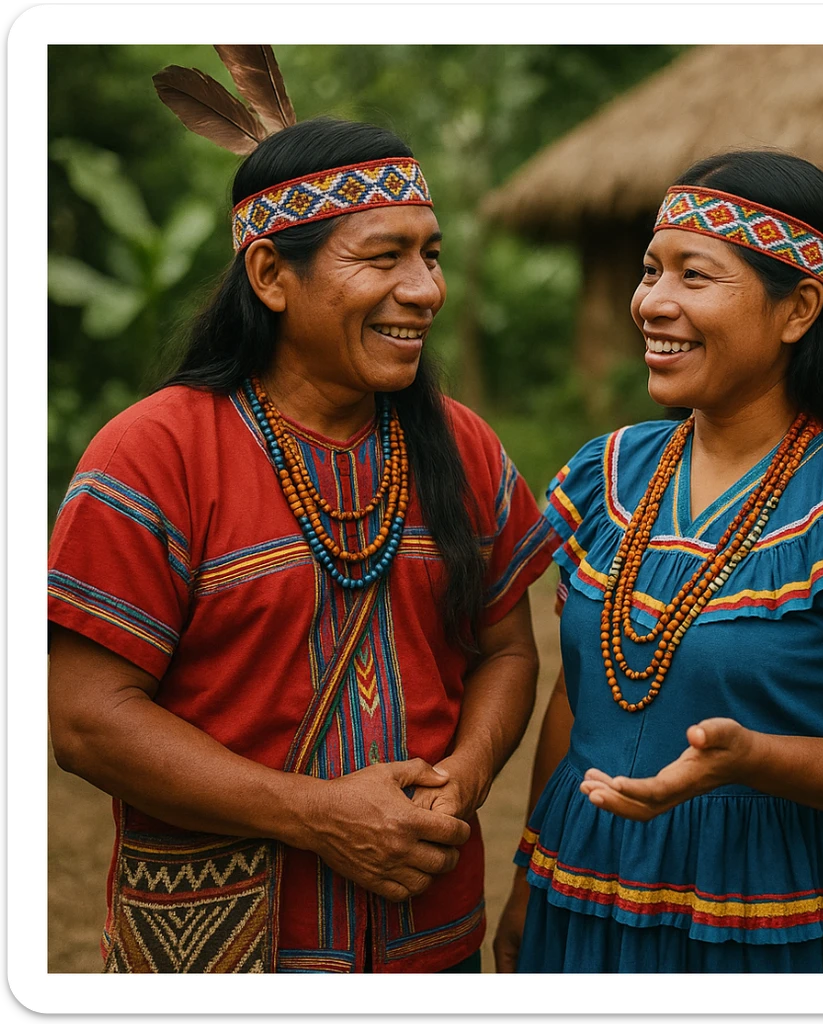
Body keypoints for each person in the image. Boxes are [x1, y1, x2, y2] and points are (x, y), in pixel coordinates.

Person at [47, 105, 560, 973]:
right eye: (384, 256)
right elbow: (88, 722)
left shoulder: (463, 445)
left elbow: (508, 649)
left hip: (427, 948)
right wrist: (316, 814)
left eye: (430, 254)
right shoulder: (154, 452)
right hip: (224, 954)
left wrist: (464, 779)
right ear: (271, 275)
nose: (426, 289)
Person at [494, 150, 823, 974]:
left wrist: (756, 759)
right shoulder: (612, 472)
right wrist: (533, 879)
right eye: (651, 271)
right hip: (591, 889)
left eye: (695, 276)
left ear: (798, 310)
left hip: (788, 911)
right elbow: (580, 695)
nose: (654, 302)